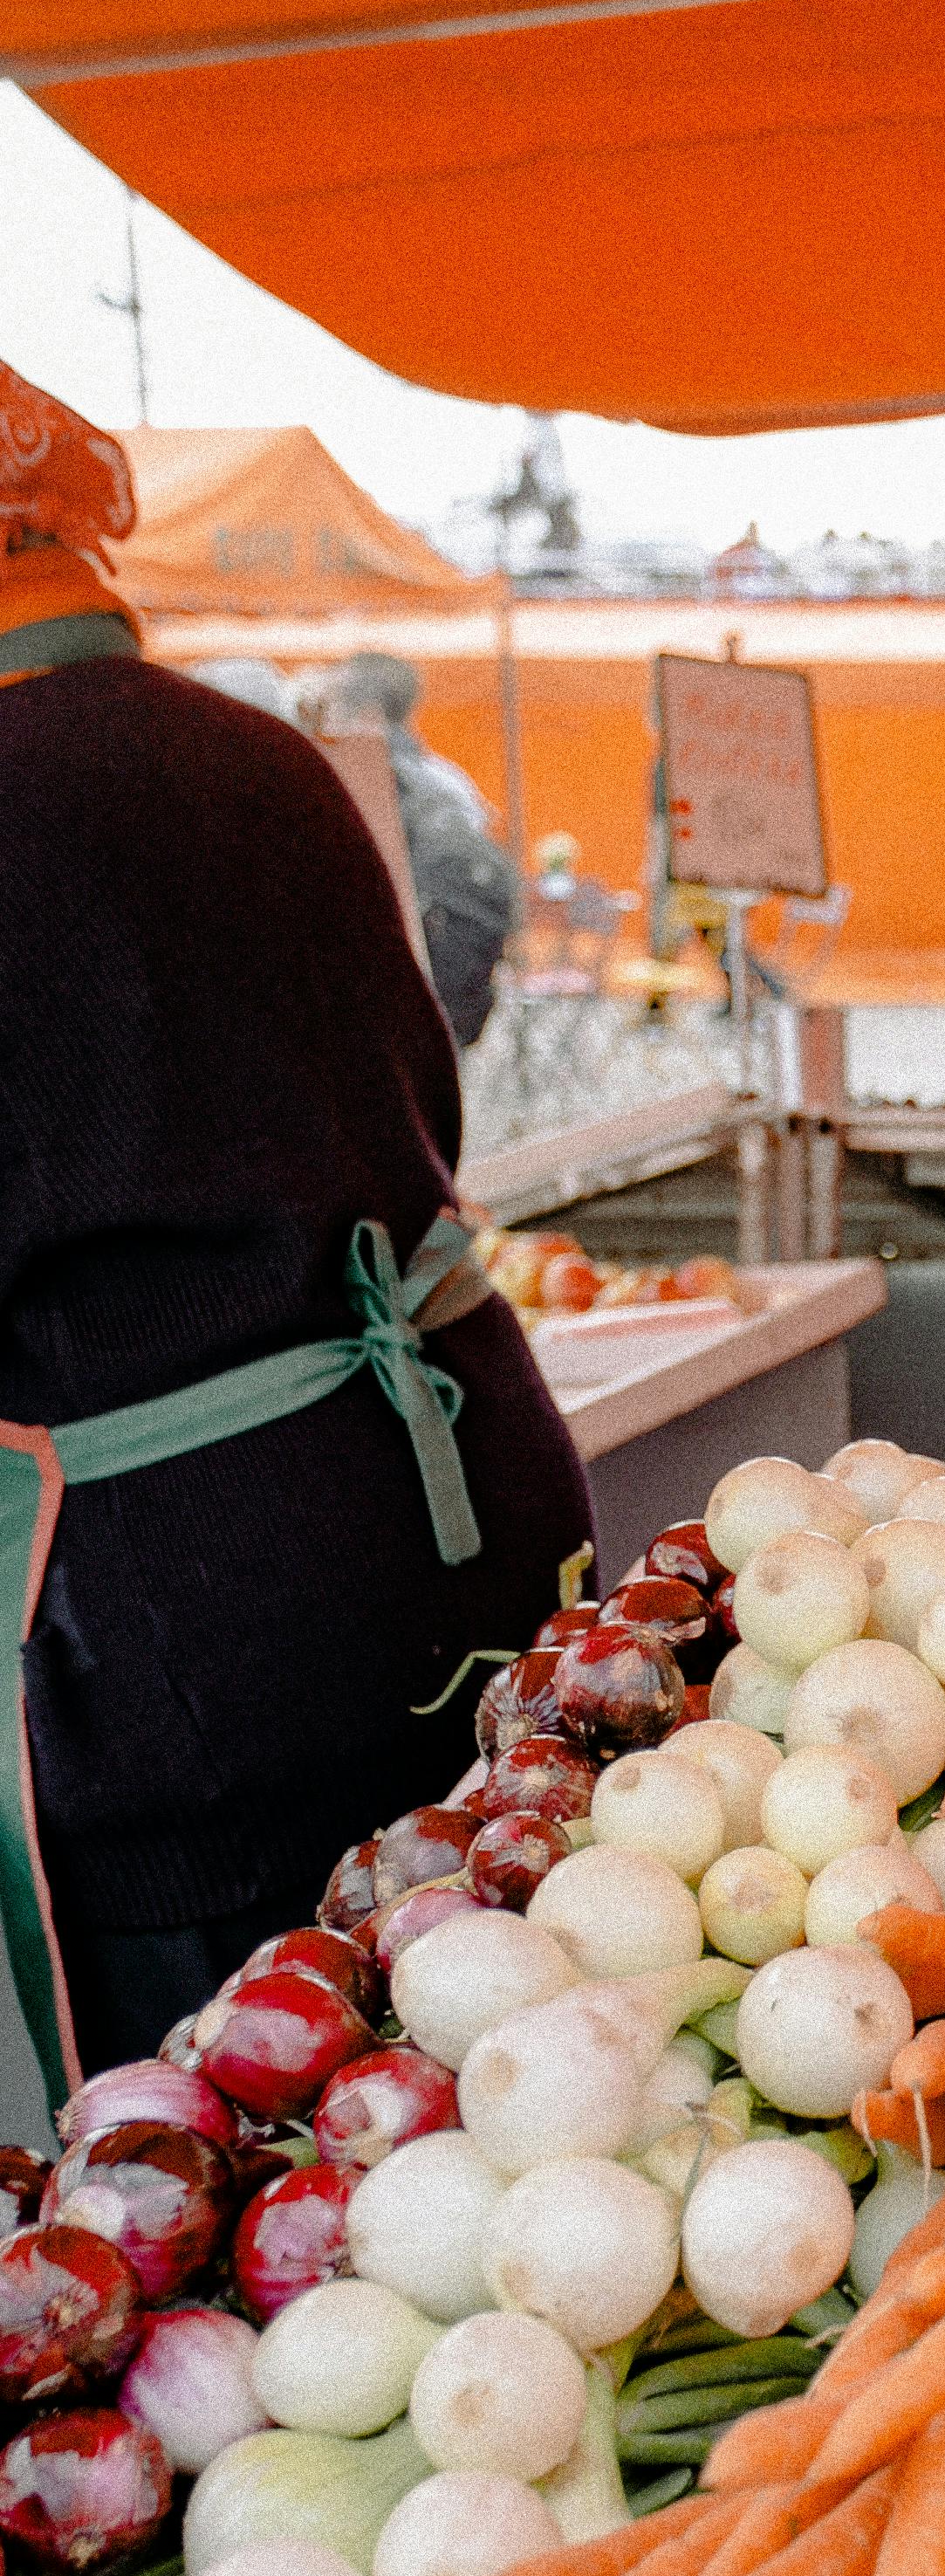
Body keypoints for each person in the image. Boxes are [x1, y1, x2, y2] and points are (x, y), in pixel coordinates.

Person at [0, 367, 593, 2107]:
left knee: (232, 2165)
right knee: (473, 2090)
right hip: (443, 1517)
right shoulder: (264, 755)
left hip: (194, 1628)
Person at [323, 649, 521, 1048]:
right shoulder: (450, 780)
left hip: (405, 975)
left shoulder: (368, 782)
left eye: (336, 704)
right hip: (460, 971)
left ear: (370, 714)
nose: (328, 717)